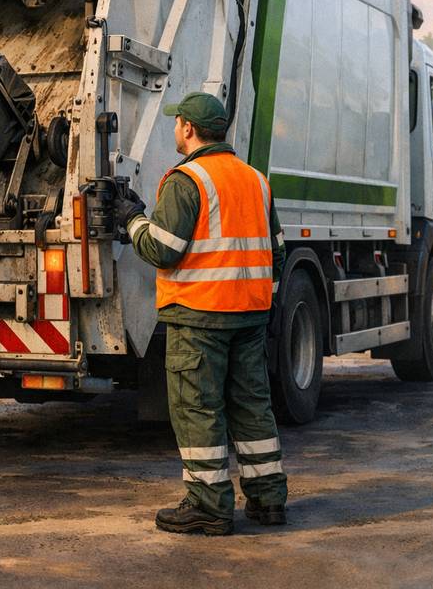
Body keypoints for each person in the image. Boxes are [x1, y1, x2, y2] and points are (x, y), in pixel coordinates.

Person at [114, 91, 288, 536]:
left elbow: (163, 250)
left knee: (198, 407)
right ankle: (268, 500)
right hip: (248, 316)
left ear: (188, 129)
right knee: (252, 406)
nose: (175, 128)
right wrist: (260, 298)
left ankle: (209, 506)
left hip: (199, 316)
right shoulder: (255, 180)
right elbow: (278, 252)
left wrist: (132, 218)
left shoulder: (186, 180)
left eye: (177, 123)